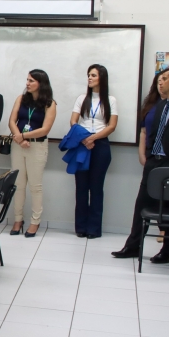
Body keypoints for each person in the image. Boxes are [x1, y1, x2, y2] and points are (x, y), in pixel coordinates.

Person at [112, 67, 169, 263]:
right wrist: (151, 158)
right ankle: (133, 246)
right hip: (154, 164)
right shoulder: (160, 106)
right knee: (141, 204)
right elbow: (153, 135)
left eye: (165, 79)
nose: (161, 82)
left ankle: (168, 251)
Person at [7, 69, 57, 238]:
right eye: (27, 80)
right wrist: (19, 138)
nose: (27, 83)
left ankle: (35, 221)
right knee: (19, 185)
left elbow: (45, 129)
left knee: (35, 186)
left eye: (31, 81)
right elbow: (12, 121)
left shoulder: (50, 103)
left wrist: (24, 136)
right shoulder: (21, 99)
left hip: (37, 146)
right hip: (18, 145)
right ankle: (18, 219)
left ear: (41, 84)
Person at [70, 65, 118, 239]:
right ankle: (81, 227)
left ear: (102, 78)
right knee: (81, 188)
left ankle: (94, 229)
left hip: (100, 145)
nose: (89, 78)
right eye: (88, 75)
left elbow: (112, 126)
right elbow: (73, 121)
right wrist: (84, 139)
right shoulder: (82, 98)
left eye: (93, 75)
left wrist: (93, 138)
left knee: (96, 188)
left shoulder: (110, 100)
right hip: (82, 143)